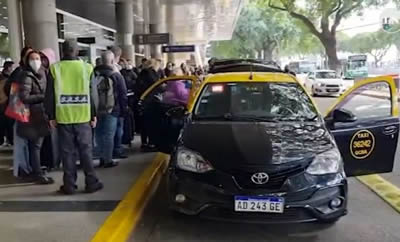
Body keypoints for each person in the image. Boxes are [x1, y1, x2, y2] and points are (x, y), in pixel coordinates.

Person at [46, 39, 103, 194]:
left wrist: (51, 116)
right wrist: (93, 114)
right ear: (77, 51)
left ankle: (69, 185)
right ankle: (91, 182)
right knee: (86, 152)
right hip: (83, 117)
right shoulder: (87, 68)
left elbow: (49, 95)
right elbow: (93, 95)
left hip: (63, 117)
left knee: (67, 153)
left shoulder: (54, 69)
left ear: (63, 51)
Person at [18, 51, 54, 184]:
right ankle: (37, 173)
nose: (36, 61)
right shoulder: (26, 76)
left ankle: (37, 171)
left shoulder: (43, 73)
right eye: (32, 59)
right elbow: (24, 97)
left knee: (37, 146)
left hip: (41, 115)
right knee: (36, 146)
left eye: (37, 58)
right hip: (33, 116)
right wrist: (43, 97)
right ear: (27, 61)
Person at [94, 51, 127, 167]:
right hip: (112, 110)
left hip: (96, 110)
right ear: (113, 61)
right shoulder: (116, 75)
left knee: (98, 134)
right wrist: (123, 111)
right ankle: (107, 160)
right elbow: (123, 95)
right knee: (108, 135)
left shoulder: (93, 74)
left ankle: (101, 157)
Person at [6, 47, 33, 178]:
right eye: (28, 56)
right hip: (20, 109)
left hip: (24, 109)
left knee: (24, 140)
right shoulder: (20, 72)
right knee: (20, 140)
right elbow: (9, 88)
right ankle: (21, 168)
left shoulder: (25, 71)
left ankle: (24, 167)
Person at [110, 46, 127, 159]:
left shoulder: (97, 70)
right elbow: (122, 91)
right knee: (117, 129)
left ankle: (106, 152)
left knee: (105, 133)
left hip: (102, 107)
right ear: (117, 57)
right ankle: (117, 150)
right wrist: (124, 107)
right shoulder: (116, 72)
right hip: (116, 106)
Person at [0, 61, 15, 146]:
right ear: (9, 68)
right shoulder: (6, 79)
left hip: (4, 104)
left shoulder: (5, 78)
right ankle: (8, 140)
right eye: (11, 67)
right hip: (4, 104)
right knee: (7, 124)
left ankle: (4, 140)